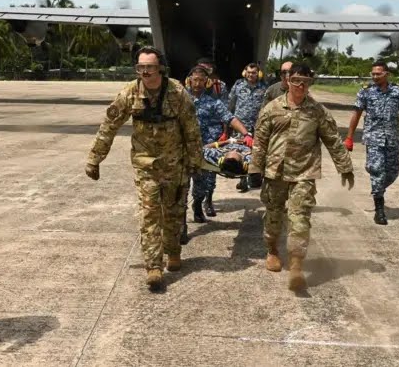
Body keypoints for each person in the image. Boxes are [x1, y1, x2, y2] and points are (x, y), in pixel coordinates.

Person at [85, 46, 202, 291]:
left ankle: (173, 251)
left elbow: (192, 130)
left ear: (160, 68)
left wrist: (195, 161)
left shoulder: (178, 93)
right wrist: (95, 159)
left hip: (175, 166)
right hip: (146, 165)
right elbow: (109, 125)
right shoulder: (130, 93)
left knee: (172, 214)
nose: (145, 72)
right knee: (149, 216)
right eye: (141, 67)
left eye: (150, 67)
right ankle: (153, 267)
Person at [250, 63, 354, 292]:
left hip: (304, 173)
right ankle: (273, 250)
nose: (300, 85)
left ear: (309, 84)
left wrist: (345, 166)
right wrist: (254, 170)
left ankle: (296, 265)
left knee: (300, 218)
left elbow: (333, 140)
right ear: (287, 80)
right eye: (296, 80)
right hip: (275, 172)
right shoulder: (271, 108)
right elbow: (260, 141)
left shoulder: (317, 111)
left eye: (305, 82)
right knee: (273, 217)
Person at [344, 60, 399, 225]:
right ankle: (380, 210)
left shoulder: (398, 91)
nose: (375, 76)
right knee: (377, 171)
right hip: (373, 138)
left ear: (386, 74)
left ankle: (378, 188)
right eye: (373, 74)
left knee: (392, 173)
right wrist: (349, 137)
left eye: (378, 74)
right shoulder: (365, 92)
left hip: (391, 138)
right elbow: (356, 114)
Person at [186, 65, 252, 222]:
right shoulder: (181, 99)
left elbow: (230, 118)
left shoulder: (213, 102)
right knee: (183, 181)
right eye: (195, 80)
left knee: (206, 179)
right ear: (189, 81)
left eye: (201, 80)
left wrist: (246, 133)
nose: (198, 83)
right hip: (186, 146)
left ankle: (200, 203)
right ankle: (182, 219)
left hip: (208, 146)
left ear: (206, 82)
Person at [228, 62, 267, 192]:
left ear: (259, 74)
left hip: (257, 126)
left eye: (254, 73)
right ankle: (243, 180)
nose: (251, 75)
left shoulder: (264, 87)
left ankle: (254, 177)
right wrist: (229, 123)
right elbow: (230, 104)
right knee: (240, 151)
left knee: (256, 153)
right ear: (245, 73)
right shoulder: (238, 85)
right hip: (240, 126)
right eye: (249, 72)